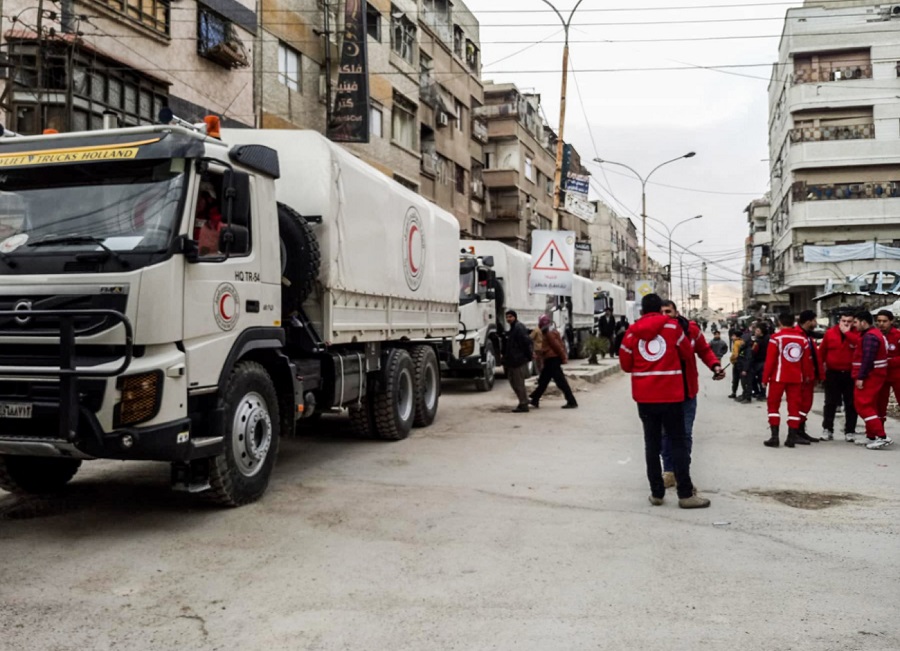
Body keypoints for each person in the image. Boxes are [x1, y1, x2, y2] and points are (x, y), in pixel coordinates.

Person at [619, 294, 709, 509]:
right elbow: (687, 353)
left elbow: (625, 364)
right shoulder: (672, 328)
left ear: (641, 311)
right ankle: (685, 495)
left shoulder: (631, 333)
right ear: (660, 310)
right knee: (678, 442)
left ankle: (657, 493)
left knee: (652, 444)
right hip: (672, 395)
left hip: (645, 398)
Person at [659, 300, 725, 488]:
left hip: (687, 392)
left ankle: (682, 474)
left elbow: (704, 351)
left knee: (685, 435)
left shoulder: (691, 330)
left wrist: (715, 366)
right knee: (665, 435)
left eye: (669, 311)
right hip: (664, 394)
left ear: (676, 312)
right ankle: (669, 471)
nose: (666, 315)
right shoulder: (655, 333)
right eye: (662, 312)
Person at [762, 312, 814, 448]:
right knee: (794, 408)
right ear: (794, 323)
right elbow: (807, 361)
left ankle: (774, 437)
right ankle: (791, 437)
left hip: (778, 377)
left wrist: (765, 378)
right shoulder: (802, 340)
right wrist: (807, 376)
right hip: (797, 378)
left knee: (773, 406)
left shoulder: (776, 338)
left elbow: (770, 360)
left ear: (779, 322)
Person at [852, 310, 893, 449]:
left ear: (864, 322)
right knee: (871, 405)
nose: (854, 325)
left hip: (870, 376)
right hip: (875, 375)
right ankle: (871, 436)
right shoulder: (872, 335)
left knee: (863, 405)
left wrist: (861, 377)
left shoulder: (870, 337)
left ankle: (882, 436)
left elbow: (868, 359)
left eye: (856, 322)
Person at [818, 311, 859, 441]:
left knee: (851, 404)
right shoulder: (830, 333)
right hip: (833, 373)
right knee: (830, 403)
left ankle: (850, 431)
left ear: (853, 322)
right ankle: (827, 429)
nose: (846, 324)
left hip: (850, 374)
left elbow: (860, 345)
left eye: (849, 321)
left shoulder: (857, 333)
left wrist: (847, 333)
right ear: (839, 321)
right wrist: (820, 373)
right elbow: (822, 353)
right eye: (843, 321)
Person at [529, 315, 578, 409]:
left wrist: (563, 358)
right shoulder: (549, 331)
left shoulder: (549, 333)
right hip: (550, 359)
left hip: (552, 359)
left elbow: (557, 346)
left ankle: (572, 401)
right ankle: (535, 399)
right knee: (543, 380)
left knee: (560, 382)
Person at [797, 309, 823, 442]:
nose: (816, 323)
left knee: (806, 404)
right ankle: (796, 431)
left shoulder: (808, 335)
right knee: (800, 404)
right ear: (808, 321)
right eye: (814, 320)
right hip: (801, 377)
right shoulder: (798, 335)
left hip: (810, 376)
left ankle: (801, 430)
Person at [501, 310, 533, 413]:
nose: (508, 319)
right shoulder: (513, 329)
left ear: (515, 317)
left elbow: (526, 343)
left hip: (517, 361)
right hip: (513, 361)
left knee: (518, 383)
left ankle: (523, 404)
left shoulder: (519, 328)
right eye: (507, 317)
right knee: (514, 382)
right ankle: (523, 401)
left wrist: (528, 357)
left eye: (510, 317)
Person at [877, 310, 900, 427]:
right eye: (879, 321)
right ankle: (879, 432)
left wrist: (890, 361)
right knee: (880, 403)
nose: (881, 324)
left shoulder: (898, 335)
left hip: (897, 375)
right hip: (881, 376)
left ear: (891, 321)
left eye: (884, 321)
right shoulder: (874, 335)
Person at [194, 181, 223, 256]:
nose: (197, 201)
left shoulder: (217, 222)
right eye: (196, 197)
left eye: (201, 197)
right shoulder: (189, 217)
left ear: (210, 199)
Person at [728, 330, 745, 399]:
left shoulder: (736, 343)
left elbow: (735, 354)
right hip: (743, 362)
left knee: (735, 379)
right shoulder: (743, 342)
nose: (732, 337)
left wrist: (732, 359)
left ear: (736, 336)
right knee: (743, 379)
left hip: (737, 362)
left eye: (733, 336)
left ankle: (734, 392)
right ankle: (745, 392)